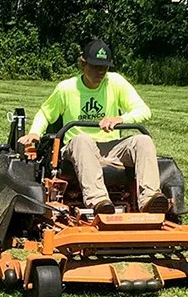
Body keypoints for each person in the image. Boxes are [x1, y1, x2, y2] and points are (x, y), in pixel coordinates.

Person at [17, 40, 170, 215]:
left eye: (104, 67)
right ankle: (99, 201)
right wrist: (35, 133)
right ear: (83, 63)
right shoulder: (66, 88)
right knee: (83, 139)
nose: (100, 72)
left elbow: (143, 110)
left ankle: (150, 199)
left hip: (112, 146)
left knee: (143, 140)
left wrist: (121, 118)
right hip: (76, 149)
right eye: (95, 66)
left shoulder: (116, 82)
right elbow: (45, 113)